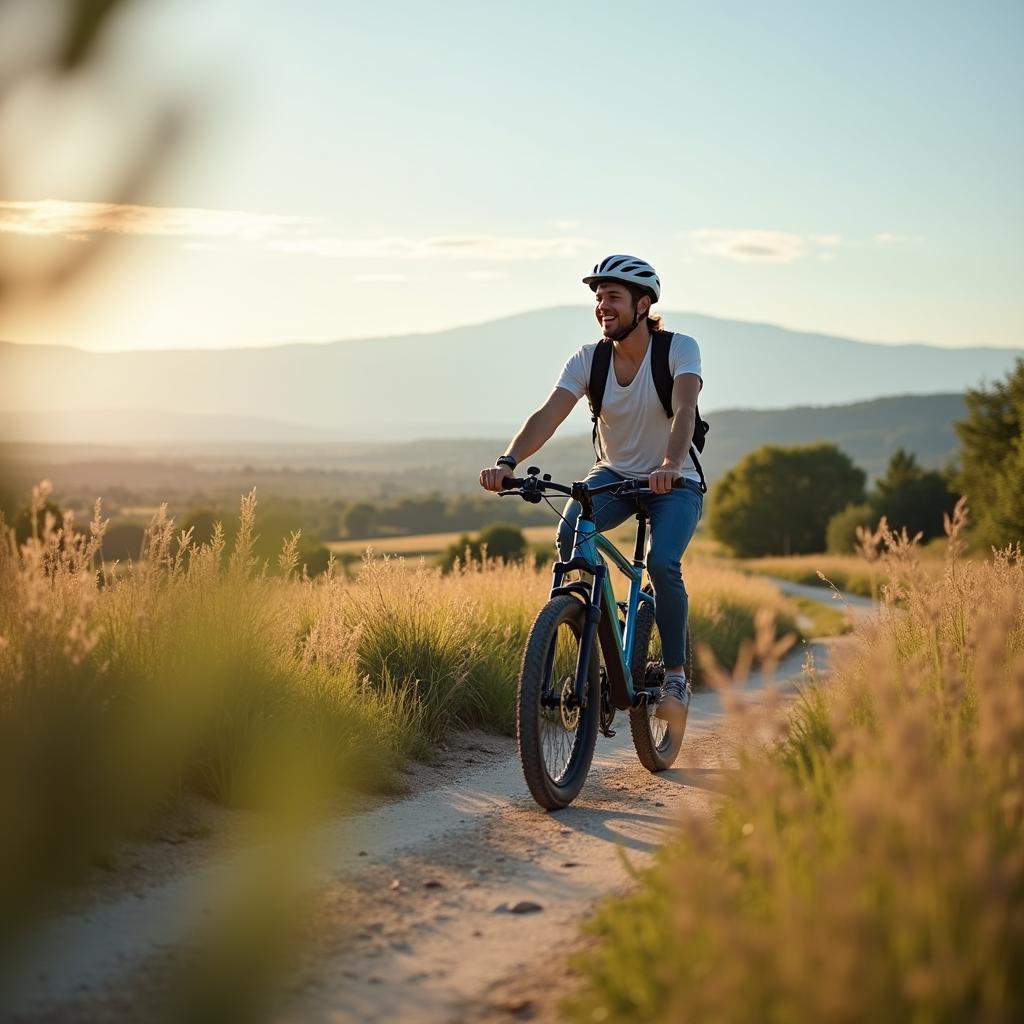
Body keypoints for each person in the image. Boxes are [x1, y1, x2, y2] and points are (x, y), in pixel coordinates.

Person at [479, 254, 704, 723]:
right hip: (614, 475)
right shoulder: (589, 359)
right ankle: (599, 631)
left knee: (662, 562)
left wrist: (669, 463)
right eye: (599, 298)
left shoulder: (678, 350)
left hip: (675, 480)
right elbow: (548, 414)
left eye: (614, 297)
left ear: (643, 304)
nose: (603, 306)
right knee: (571, 537)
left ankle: (677, 678)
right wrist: (509, 460)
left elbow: (684, 410)